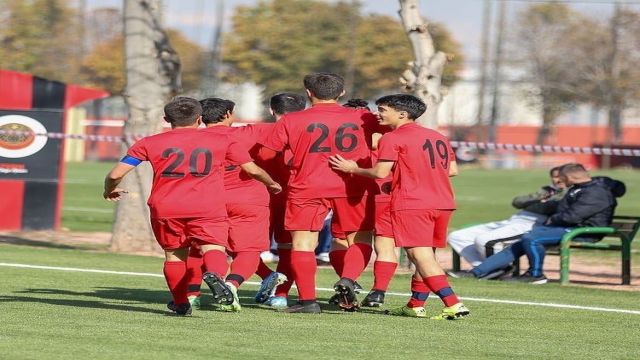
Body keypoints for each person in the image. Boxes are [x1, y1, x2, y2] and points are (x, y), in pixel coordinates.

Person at [103, 97, 280, 316]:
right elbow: (252, 170)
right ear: (199, 119)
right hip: (207, 206)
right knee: (213, 249)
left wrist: (108, 189)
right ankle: (217, 277)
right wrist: (271, 183)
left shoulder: (149, 142)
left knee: (174, 256)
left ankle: (180, 303)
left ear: (167, 119)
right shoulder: (223, 141)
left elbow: (115, 174)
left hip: (166, 207)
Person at [330, 94, 470, 320]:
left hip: (413, 203)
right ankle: (415, 304)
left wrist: (352, 168)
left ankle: (453, 303)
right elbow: (452, 170)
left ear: (402, 114)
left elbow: (380, 173)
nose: (378, 114)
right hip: (443, 202)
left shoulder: (393, 137)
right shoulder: (438, 136)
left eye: (383, 109)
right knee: (427, 256)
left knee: (420, 256)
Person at [258, 73, 379, 313]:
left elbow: (267, 154)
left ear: (309, 93)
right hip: (352, 184)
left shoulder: (291, 120)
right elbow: (387, 135)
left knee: (303, 243)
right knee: (360, 239)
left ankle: (308, 301)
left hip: (307, 185)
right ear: (342, 93)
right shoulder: (364, 116)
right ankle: (348, 279)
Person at [466, 163, 619, 284]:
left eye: (561, 177)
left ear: (570, 177)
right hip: (568, 228)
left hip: (585, 231)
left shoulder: (597, 192)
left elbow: (572, 217)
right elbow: (564, 212)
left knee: (532, 238)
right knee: (524, 239)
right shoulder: (577, 189)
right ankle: (476, 272)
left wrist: (552, 220)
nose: (558, 181)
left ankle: (536, 275)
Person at [448, 166, 567, 268]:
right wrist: (538, 198)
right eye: (554, 176)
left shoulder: (569, 193)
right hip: (516, 219)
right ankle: (482, 268)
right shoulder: (548, 190)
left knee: (484, 240)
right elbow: (517, 202)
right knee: (457, 236)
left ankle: (498, 269)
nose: (557, 180)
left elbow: (550, 208)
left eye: (560, 176)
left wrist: (541, 202)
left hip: (534, 223)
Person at [253, 92, 307, 308]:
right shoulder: (308, 134)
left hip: (259, 197)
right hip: (294, 196)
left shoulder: (255, 131)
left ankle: (266, 275)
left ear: (271, 110)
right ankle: (282, 295)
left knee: (243, 247)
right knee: (291, 248)